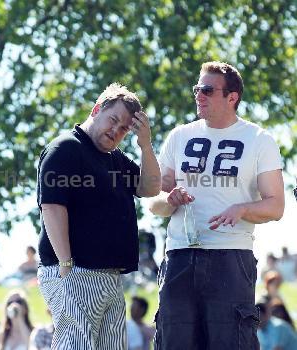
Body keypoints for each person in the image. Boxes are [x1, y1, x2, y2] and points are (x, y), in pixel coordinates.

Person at [149, 61, 285, 349]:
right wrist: (169, 200)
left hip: (231, 259)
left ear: (232, 97)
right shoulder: (178, 136)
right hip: (179, 258)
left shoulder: (260, 140)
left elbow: (276, 206)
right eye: (197, 89)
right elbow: (155, 203)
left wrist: (243, 209)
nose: (199, 95)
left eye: (208, 90)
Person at [37, 83, 161, 349]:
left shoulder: (115, 158)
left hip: (110, 276)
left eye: (124, 128)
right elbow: (52, 207)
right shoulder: (66, 148)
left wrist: (146, 145)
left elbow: (149, 187)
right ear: (96, 110)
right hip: (76, 272)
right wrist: (66, 265)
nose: (115, 131)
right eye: (112, 120)